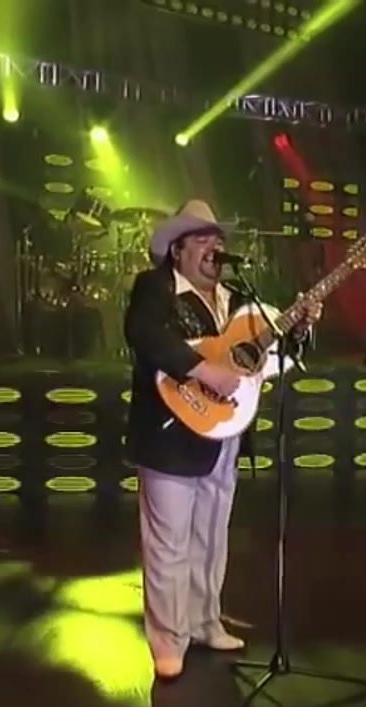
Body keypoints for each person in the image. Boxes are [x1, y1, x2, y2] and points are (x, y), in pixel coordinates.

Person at [123, 199, 321, 678]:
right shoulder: (157, 288)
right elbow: (142, 333)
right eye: (202, 238)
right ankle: (168, 640)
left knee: (212, 536)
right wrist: (201, 368)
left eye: (217, 238)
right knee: (169, 542)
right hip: (171, 433)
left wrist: (301, 328)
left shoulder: (237, 302)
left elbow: (271, 359)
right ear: (178, 250)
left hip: (223, 433)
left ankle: (205, 621)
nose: (214, 246)